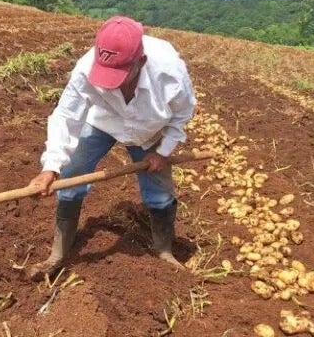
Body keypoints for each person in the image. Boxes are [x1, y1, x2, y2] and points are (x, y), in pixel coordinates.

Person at [25, 15, 197, 281]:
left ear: (141, 62)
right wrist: (51, 166)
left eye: (119, 74)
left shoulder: (170, 73)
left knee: (159, 191)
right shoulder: (86, 67)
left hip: (148, 128)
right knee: (72, 175)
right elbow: (66, 116)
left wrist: (163, 152)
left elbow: (183, 114)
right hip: (103, 121)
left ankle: (164, 250)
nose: (108, 81)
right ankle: (58, 253)